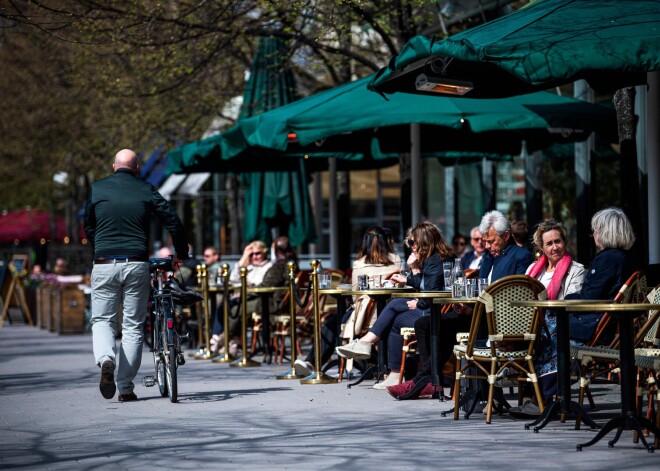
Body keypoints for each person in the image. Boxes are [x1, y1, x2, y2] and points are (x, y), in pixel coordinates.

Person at [387, 210, 534, 400]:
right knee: (425, 324)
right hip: (478, 314)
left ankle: (425, 380)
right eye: (485, 241)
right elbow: (480, 290)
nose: (487, 246)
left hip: (499, 320)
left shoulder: (521, 256)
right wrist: (468, 307)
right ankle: (429, 378)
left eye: (491, 241)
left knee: (440, 326)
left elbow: (517, 295)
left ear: (506, 235)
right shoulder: (489, 257)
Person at [84, 148, 188, 402]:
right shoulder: (145, 189)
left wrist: (97, 249)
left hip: (105, 261)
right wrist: (181, 252)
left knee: (102, 320)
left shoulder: (97, 188)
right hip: (137, 263)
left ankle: (106, 358)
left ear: (113, 167)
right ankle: (125, 387)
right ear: (137, 168)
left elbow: (88, 224)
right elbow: (173, 220)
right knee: (132, 326)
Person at [336, 221, 452, 390]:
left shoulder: (434, 261)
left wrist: (417, 293)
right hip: (435, 308)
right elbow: (429, 285)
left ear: (424, 242)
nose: (410, 246)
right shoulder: (438, 258)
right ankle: (386, 364)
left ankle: (381, 359)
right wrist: (409, 279)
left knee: (395, 316)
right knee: (395, 309)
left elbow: (431, 292)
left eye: (413, 242)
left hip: (435, 312)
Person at [294, 226, 401, 377]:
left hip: (365, 315)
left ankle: (312, 363)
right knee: (335, 321)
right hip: (389, 312)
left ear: (365, 243)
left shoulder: (360, 263)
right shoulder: (396, 260)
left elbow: (355, 296)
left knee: (333, 323)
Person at [507, 219, 585, 418]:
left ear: (564, 242)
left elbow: (571, 303)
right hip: (533, 321)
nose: (554, 247)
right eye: (549, 244)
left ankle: (539, 400)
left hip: (561, 321)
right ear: (542, 248)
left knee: (546, 336)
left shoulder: (576, 270)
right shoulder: (533, 270)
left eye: (558, 241)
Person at [566, 207, 636, 344]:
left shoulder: (606, 259)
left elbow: (588, 299)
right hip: (614, 326)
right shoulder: (626, 257)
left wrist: (566, 298)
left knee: (546, 333)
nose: (594, 235)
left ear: (605, 232)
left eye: (595, 230)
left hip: (596, 329)